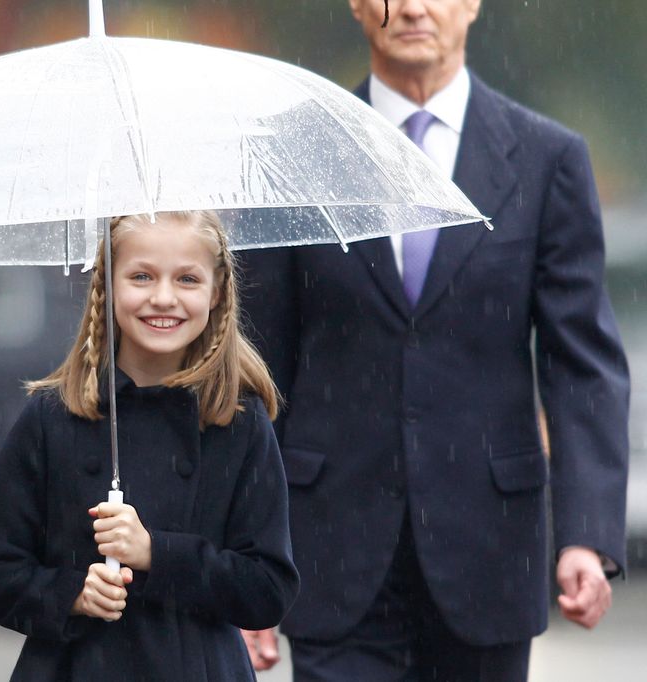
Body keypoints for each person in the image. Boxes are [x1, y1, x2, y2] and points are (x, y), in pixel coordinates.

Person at [239, 0, 630, 679]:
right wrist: (245, 554)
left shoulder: (546, 159)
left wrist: (587, 535)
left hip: (490, 550)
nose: (414, 7)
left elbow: (582, 367)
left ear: (473, 4)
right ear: (358, 7)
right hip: (329, 547)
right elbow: (255, 366)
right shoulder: (294, 155)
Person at [0, 210, 300, 681]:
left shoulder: (238, 422)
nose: (163, 297)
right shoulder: (52, 416)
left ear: (217, 292)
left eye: (187, 279)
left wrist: (156, 554)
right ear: (106, 286)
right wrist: (73, 595)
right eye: (141, 276)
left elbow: (268, 588)